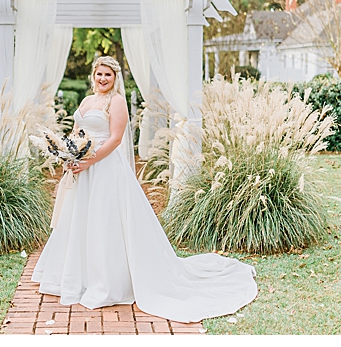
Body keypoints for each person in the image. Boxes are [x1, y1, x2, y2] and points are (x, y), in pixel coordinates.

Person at [30, 56, 257, 323]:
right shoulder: (86, 101)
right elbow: (77, 132)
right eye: (99, 74)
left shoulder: (115, 102)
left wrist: (89, 160)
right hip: (84, 169)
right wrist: (71, 156)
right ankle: (77, 276)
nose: (103, 79)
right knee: (81, 219)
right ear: (93, 75)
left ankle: (107, 281)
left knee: (105, 220)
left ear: (115, 78)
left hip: (104, 168)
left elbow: (115, 138)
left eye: (108, 75)